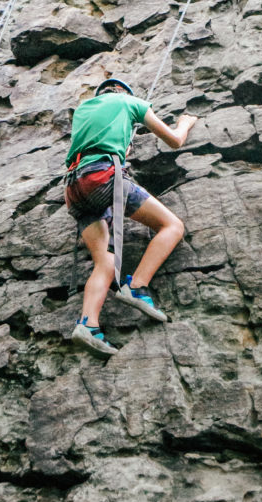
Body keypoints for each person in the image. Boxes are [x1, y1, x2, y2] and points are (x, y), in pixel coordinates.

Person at [64, 78, 197, 357]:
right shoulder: (131, 102)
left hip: (74, 187)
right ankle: (136, 287)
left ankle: (88, 324)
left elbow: (96, 146)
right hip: (103, 177)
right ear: (123, 92)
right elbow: (174, 140)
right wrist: (186, 122)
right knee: (172, 226)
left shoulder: (83, 111)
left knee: (106, 260)